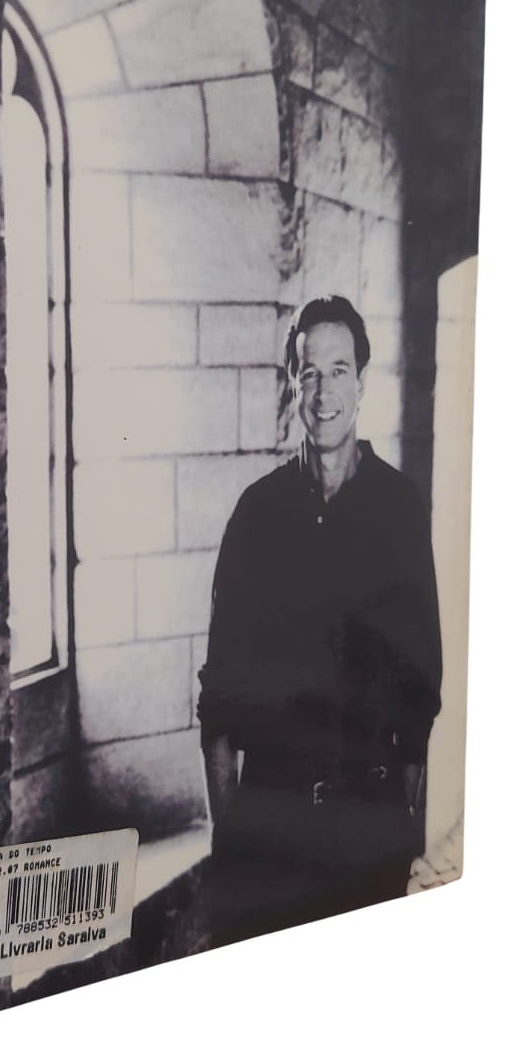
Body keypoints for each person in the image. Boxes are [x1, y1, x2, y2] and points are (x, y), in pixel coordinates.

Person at [197, 295, 442, 946]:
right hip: (271, 839)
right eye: (310, 372)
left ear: (361, 382)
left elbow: (420, 690)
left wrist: (398, 821)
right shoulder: (256, 515)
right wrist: (231, 841)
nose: (324, 391)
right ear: (292, 383)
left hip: (369, 834)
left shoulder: (398, 509)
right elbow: (218, 704)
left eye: (339, 371)